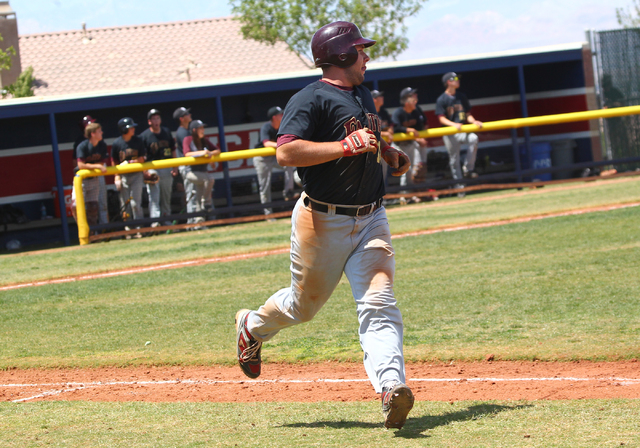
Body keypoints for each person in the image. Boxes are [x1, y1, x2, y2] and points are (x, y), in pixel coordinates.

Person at [234, 21, 414, 430]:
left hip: (371, 218)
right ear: (341, 56)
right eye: (360, 50)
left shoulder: (364, 93)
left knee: (379, 302)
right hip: (321, 220)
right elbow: (286, 152)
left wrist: (387, 152)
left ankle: (390, 388)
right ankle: (252, 325)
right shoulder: (310, 98)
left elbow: (366, 135)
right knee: (303, 306)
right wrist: (342, 147)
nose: (366, 55)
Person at [436, 72, 483, 197]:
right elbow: (441, 118)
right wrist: (453, 124)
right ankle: (460, 187)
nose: (458, 81)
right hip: (449, 132)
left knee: (474, 138)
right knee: (454, 159)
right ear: (448, 82)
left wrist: (474, 121)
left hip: (462, 130)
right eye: (455, 79)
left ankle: (468, 168)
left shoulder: (461, 96)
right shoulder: (442, 99)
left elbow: (467, 114)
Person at [252, 106, 297, 218]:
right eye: (280, 114)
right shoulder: (266, 127)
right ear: (274, 117)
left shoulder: (282, 126)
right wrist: (281, 145)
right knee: (265, 186)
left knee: (289, 165)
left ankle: (288, 192)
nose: (283, 116)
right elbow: (266, 143)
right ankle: (268, 214)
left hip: (274, 156)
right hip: (262, 158)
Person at [140, 109, 177, 225]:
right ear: (149, 121)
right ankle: (155, 222)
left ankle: (166, 220)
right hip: (152, 168)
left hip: (166, 166)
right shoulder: (144, 136)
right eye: (153, 119)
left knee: (166, 196)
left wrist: (175, 166)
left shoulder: (166, 132)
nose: (156, 121)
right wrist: (144, 171)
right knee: (154, 196)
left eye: (157, 118)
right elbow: (142, 156)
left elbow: (173, 150)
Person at [181, 119, 220, 224]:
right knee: (210, 179)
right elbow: (187, 154)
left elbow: (217, 150)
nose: (203, 130)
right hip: (191, 172)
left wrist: (210, 154)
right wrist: (202, 152)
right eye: (200, 128)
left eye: (203, 128)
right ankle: (206, 202)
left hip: (202, 172)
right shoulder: (188, 139)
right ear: (194, 130)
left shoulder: (204, 140)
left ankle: (199, 222)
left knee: (198, 198)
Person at [73, 115, 108, 224]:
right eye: (99, 131)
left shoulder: (102, 144)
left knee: (94, 207)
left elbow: (103, 161)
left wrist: (97, 166)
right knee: (75, 206)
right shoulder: (81, 145)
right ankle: (83, 230)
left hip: (95, 178)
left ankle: (95, 232)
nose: (101, 132)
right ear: (92, 133)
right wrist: (96, 166)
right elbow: (80, 165)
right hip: (82, 179)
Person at [111, 117, 146, 227]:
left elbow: (143, 157)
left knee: (136, 203)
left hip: (136, 174)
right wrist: (116, 177)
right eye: (130, 127)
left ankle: (139, 227)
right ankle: (128, 228)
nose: (133, 129)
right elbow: (114, 161)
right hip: (124, 176)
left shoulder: (138, 140)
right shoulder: (117, 143)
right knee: (125, 204)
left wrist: (132, 162)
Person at [392, 87, 428, 188]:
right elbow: (395, 127)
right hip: (399, 145)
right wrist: (408, 130)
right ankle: (405, 194)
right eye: (413, 99)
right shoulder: (398, 112)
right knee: (405, 169)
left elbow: (422, 126)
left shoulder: (416, 112)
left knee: (418, 167)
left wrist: (419, 138)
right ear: (406, 102)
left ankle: (416, 191)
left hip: (411, 143)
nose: (415, 101)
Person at [173, 106, 198, 223]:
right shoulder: (182, 132)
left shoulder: (187, 130)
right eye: (187, 114)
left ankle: (195, 219)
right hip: (186, 166)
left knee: (194, 193)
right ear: (182, 118)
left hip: (190, 166)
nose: (190, 115)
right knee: (191, 193)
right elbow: (187, 152)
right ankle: (192, 221)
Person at [371, 90, 393, 182]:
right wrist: (386, 134)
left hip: (384, 146)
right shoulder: (369, 112)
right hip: (373, 148)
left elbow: (391, 124)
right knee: (373, 174)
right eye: (379, 96)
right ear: (374, 99)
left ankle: (382, 195)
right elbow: (369, 130)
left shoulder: (383, 112)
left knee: (383, 173)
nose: (382, 98)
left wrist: (390, 131)